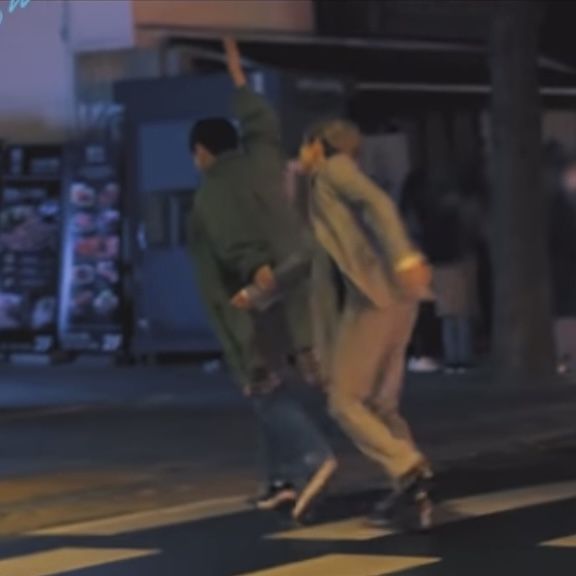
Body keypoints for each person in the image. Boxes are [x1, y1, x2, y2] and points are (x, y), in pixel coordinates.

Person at [187, 38, 336, 521]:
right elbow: (264, 123)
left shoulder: (210, 196)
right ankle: (279, 481)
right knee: (271, 389)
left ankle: (312, 457)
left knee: (262, 388)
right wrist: (238, 82)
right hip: (297, 286)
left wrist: (250, 285)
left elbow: (229, 257)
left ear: (202, 153)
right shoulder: (264, 158)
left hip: (257, 297)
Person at [298, 119, 433, 529]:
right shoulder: (327, 183)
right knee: (380, 405)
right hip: (398, 298)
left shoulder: (331, 171)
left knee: (344, 401)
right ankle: (413, 491)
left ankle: (408, 467)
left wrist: (403, 257)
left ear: (318, 147)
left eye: (303, 147)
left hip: (376, 296)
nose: (299, 156)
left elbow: (379, 203)